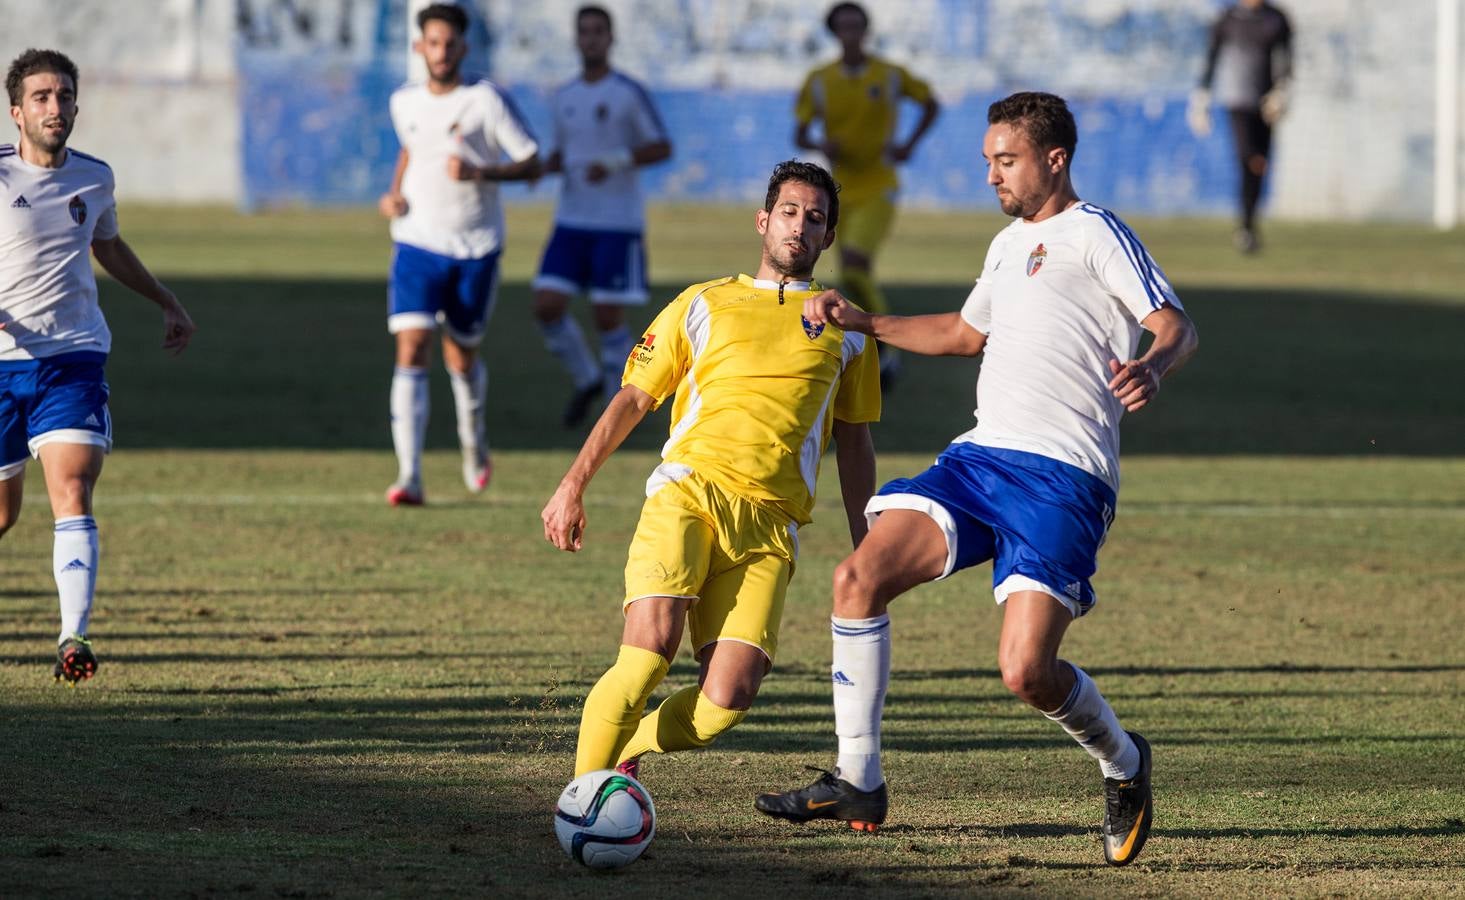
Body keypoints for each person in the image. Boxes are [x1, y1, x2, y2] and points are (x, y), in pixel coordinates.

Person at [754, 92, 1199, 868]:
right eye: (988, 159)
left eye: (1006, 160)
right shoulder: (1004, 244)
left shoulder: (1094, 232)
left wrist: (1152, 368)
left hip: (1064, 477)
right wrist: (866, 323)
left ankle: (1123, 762)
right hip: (982, 459)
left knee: (1025, 672)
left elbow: (1172, 322)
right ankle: (858, 780)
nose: (992, 173)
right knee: (857, 576)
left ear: (1053, 160)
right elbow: (965, 334)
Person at [542, 160, 880, 783]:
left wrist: (870, 546)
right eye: (788, 212)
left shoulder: (848, 331)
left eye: (815, 218)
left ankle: (625, 751)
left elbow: (854, 445)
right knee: (646, 659)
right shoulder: (702, 302)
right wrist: (572, 485)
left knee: (729, 700)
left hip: (770, 529)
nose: (799, 227)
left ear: (828, 237)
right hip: (689, 495)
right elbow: (632, 400)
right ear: (763, 220)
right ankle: (582, 801)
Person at [1, 49, 196, 684]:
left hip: (73, 359)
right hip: (3, 368)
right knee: (3, 514)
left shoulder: (95, 177)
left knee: (72, 489)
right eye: (40, 97)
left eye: (63, 96)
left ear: (77, 106)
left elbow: (106, 242)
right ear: (16, 112)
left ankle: (72, 637)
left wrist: (164, 298)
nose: (54, 107)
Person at [378, 3, 541, 505]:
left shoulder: (486, 101)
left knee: (461, 355)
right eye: (433, 43)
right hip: (416, 243)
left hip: (475, 248)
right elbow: (411, 148)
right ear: (418, 47)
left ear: (463, 48)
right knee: (412, 346)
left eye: (450, 44)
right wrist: (394, 193)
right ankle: (410, 476)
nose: (442, 52)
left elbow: (531, 162)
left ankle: (474, 444)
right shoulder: (403, 101)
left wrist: (480, 174)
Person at [533, 4, 672, 428]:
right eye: (585, 31)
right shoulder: (565, 96)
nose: (591, 38)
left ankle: (618, 412)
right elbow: (562, 153)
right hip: (572, 220)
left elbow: (661, 146)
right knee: (546, 306)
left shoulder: (627, 92)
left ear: (610, 39)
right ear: (576, 39)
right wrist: (540, 166)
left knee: (607, 315)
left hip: (616, 223)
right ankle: (588, 377)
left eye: (598, 31)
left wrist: (613, 162)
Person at [794, 1, 939, 387]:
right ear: (834, 32)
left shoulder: (889, 75)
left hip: (880, 186)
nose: (851, 32)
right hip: (840, 188)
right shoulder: (820, 80)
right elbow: (800, 133)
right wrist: (822, 144)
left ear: (866, 29)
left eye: (857, 25)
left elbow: (930, 103)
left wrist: (909, 144)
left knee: (855, 265)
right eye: (843, 26)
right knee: (852, 274)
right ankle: (868, 350)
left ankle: (888, 345)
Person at [1187, 0, 1293, 254]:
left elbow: (1286, 58)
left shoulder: (1277, 19)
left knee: (1259, 166)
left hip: (1265, 104)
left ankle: (1247, 225)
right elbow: (1212, 57)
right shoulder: (1228, 19)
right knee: (1248, 157)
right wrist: (1202, 97)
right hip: (1237, 100)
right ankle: (1246, 227)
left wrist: (1282, 90)